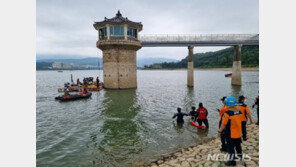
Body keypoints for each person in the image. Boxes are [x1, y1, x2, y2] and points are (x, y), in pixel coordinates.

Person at [218, 96, 243, 166]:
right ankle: (239, 156)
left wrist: (219, 131)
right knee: (238, 146)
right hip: (238, 133)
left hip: (230, 134)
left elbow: (223, 124)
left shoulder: (227, 113)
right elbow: (241, 121)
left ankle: (232, 162)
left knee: (230, 148)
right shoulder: (239, 112)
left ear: (227, 104)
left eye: (225, 103)